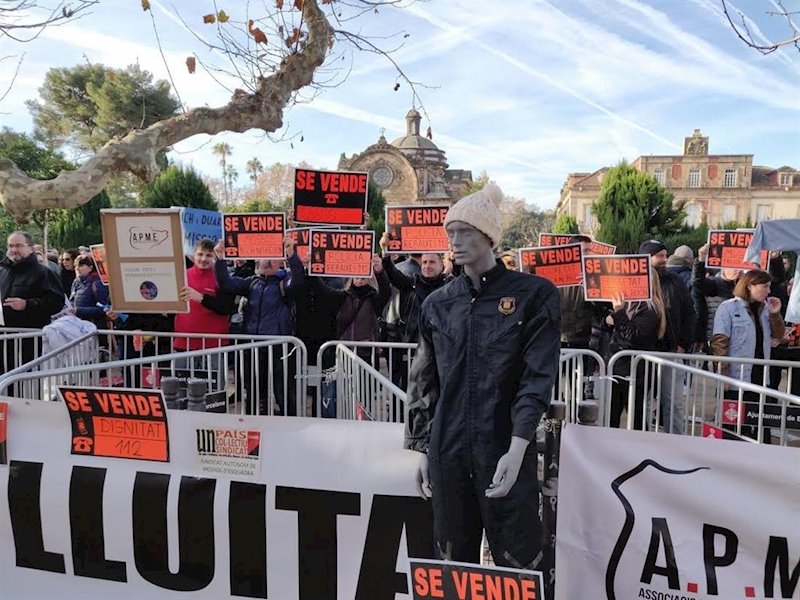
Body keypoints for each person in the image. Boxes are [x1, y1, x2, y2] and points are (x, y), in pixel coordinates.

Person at [405, 183, 560, 570]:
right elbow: (424, 381)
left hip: (502, 444)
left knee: (519, 561)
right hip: (448, 450)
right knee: (451, 561)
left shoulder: (533, 296)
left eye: (466, 232)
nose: (455, 242)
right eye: (450, 233)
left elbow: (536, 378)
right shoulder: (438, 304)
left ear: (488, 236)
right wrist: (423, 445)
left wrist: (520, 443)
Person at [214, 238, 304, 416]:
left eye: (267, 257)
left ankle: (290, 425)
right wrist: (219, 258)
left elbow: (298, 282)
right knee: (254, 393)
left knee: (283, 392)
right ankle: (254, 425)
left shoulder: (284, 283)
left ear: (278, 261)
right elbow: (227, 284)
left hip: (280, 348)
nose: (260, 260)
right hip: (254, 347)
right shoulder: (252, 283)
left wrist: (292, 255)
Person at [711, 269, 785, 442]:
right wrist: (723, 373)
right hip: (736, 377)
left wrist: (775, 314)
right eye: (764, 286)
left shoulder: (767, 309)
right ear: (750, 285)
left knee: (759, 422)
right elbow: (720, 341)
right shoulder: (728, 307)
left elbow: (779, 335)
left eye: (769, 287)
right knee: (732, 423)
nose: (768, 291)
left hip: (760, 376)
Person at [379, 233, 452, 390]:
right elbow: (392, 273)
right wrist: (385, 250)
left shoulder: (450, 287)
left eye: (432, 262)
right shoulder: (411, 284)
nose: (427, 265)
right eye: (424, 262)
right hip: (412, 350)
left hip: (440, 352)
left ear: (442, 265)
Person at [639, 240, 693, 434]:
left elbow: (689, 312)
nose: (664, 260)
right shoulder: (636, 282)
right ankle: (642, 441)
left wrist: (683, 344)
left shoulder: (675, 281)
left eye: (665, 255)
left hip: (670, 351)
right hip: (642, 353)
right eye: (659, 256)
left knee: (673, 402)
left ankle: (676, 443)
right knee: (642, 402)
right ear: (647, 258)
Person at [603, 272, 667, 429]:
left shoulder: (650, 308)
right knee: (613, 411)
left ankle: (638, 449)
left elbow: (634, 336)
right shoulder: (631, 304)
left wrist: (618, 313)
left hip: (635, 368)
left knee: (635, 414)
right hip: (620, 365)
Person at [174, 240, 236, 386]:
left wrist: (201, 298)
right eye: (200, 254)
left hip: (213, 345)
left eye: (209, 255)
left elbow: (226, 307)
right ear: (193, 256)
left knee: (214, 393)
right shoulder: (181, 276)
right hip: (184, 344)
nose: (203, 259)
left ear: (215, 257)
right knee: (182, 391)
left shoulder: (223, 278)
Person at [0, 232, 64, 373]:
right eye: (10, 246)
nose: (14, 249)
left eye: (18, 246)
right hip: (4, 339)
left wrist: (27, 304)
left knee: (26, 381)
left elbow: (57, 302)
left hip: (29, 339)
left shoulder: (43, 273)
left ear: (31, 248)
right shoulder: (2, 272)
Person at [692, 243, 739, 353]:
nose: (737, 270)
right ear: (723, 268)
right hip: (716, 340)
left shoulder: (747, 285)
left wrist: (774, 260)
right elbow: (697, 284)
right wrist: (701, 261)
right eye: (732, 266)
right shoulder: (716, 284)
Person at [69, 256, 109, 331]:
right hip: (78, 326)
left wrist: (79, 311)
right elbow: (72, 299)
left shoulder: (98, 283)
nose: (77, 269)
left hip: (95, 327)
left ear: (90, 268)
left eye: (81, 265)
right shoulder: (76, 282)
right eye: (75, 266)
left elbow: (104, 308)